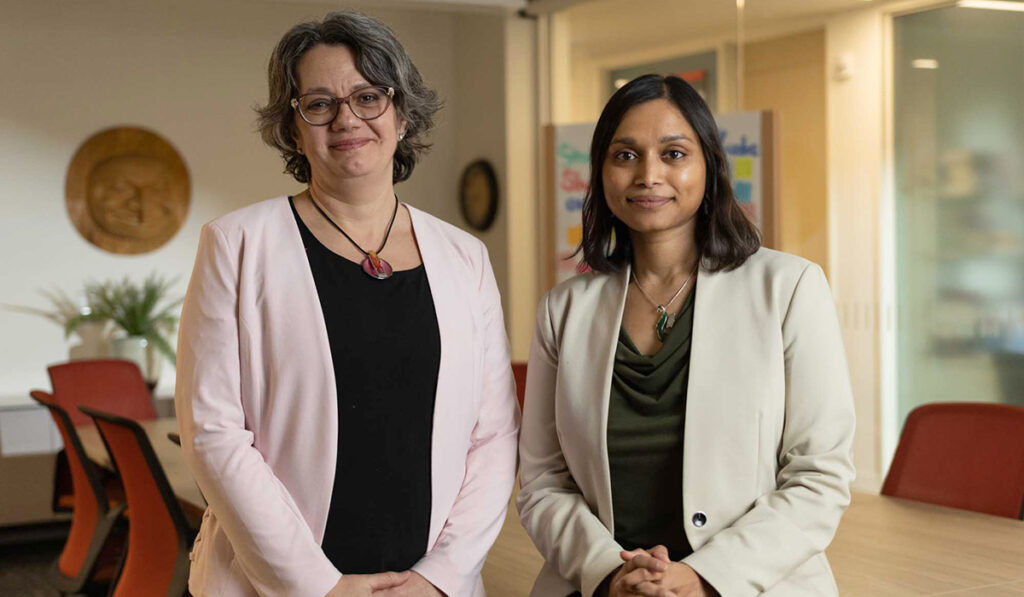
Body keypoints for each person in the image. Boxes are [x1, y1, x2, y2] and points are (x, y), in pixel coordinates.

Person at [175, 11, 519, 597]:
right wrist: (318, 586)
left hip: (430, 586)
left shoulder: (465, 257)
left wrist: (441, 576)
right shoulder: (236, 245)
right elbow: (213, 431)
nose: (346, 119)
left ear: (403, 113)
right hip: (280, 586)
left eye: (368, 96)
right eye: (318, 103)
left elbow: (493, 436)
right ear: (293, 127)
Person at [516, 74, 856, 597]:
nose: (649, 175)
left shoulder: (789, 289)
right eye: (625, 155)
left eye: (674, 153)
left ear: (710, 167)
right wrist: (610, 573)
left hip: (750, 585)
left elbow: (819, 476)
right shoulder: (563, 310)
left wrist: (702, 577)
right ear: (602, 173)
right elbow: (543, 482)